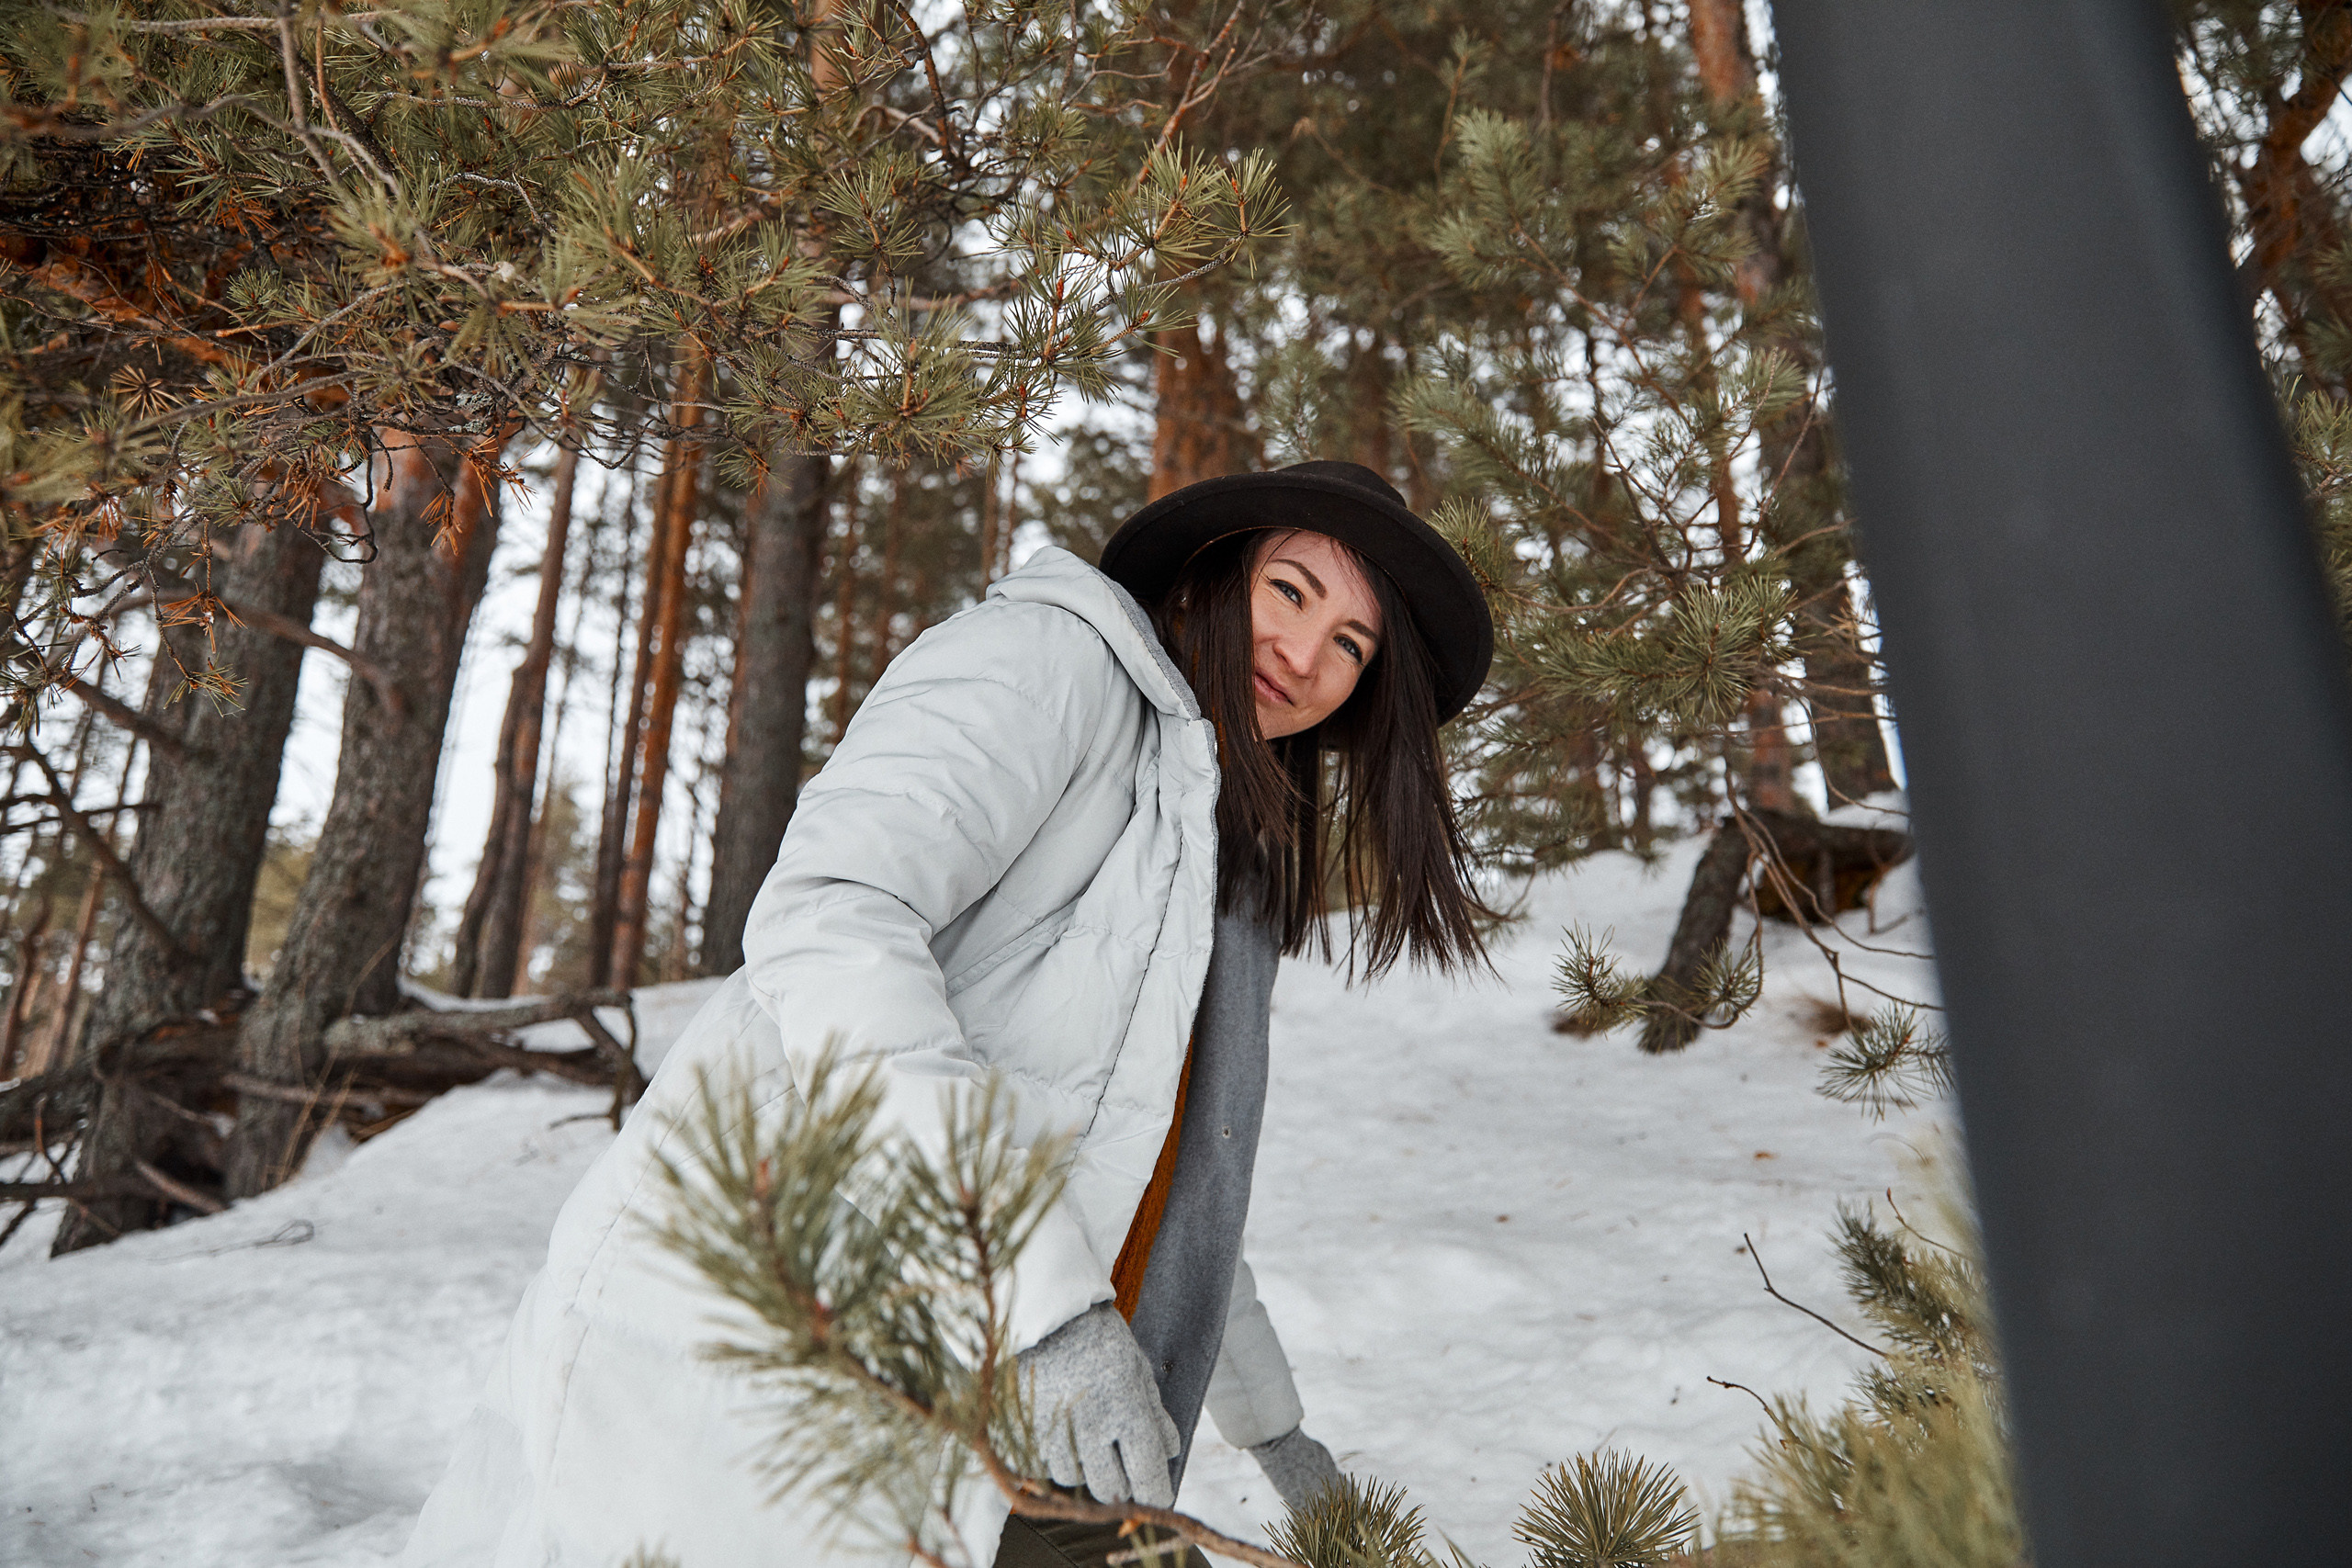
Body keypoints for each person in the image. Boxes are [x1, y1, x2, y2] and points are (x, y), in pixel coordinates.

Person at [399, 459, 1495, 1568]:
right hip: (786, 1320)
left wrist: (1274, 1430)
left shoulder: (1226, 860)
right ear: (1209, 574)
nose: (1305, 656)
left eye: (1353, 645)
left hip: (1033, 1395)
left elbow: (1175, 1180)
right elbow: (830, 915)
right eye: (1291, 592)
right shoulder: (1054, 663)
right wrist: (1044, 1313)